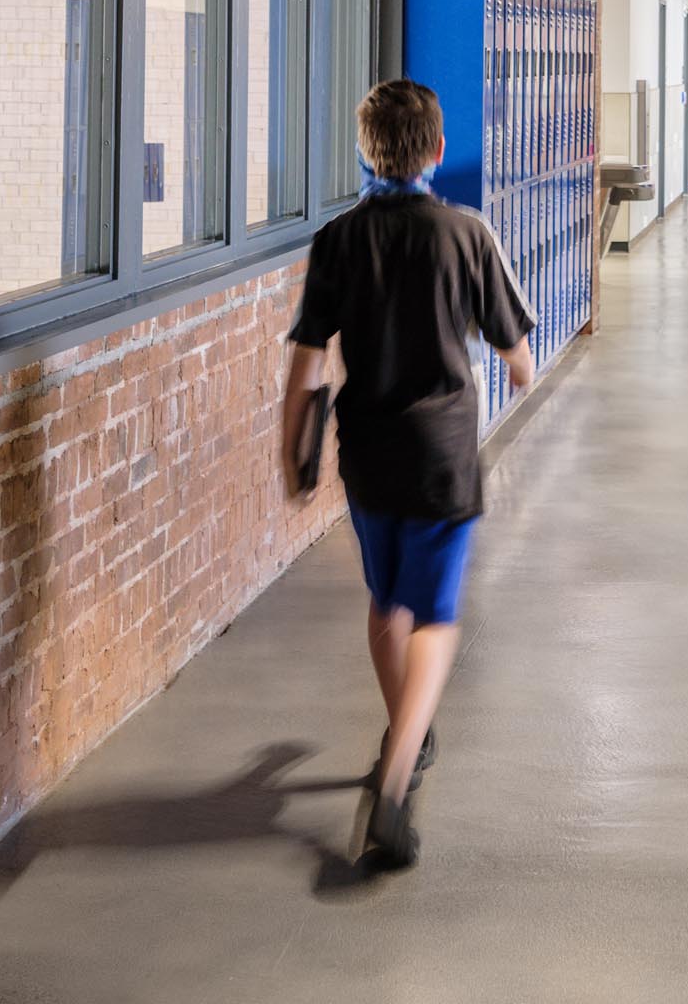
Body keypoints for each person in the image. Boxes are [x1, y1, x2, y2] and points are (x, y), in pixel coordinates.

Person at [279, 79, 536, 871]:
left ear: (366, 148)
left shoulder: (337, 240)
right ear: (436, 148)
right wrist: (513, 363)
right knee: (436, 617)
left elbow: (305, 368)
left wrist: (289, 455)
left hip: (368, 453)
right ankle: (393, 783)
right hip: (442, 453)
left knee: (387, 602)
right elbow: (518, 361)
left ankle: (407, 734)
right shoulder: (466, 233)